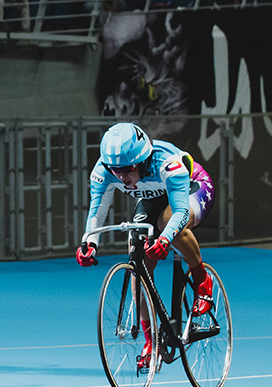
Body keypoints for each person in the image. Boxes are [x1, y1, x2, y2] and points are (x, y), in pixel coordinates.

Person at [76, 122, 216, 366]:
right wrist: (89, 243)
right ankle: (152, 340)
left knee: (167, 222)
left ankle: (202, 279)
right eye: (115, 170)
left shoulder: (167, 163)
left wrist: (164, 239)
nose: (121, 177)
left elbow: (181, 212)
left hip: (192, 188)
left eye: (128, 169)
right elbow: (97, 211)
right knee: (138, 259)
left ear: (142, 161)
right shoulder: (102, 171)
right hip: (152, 197)